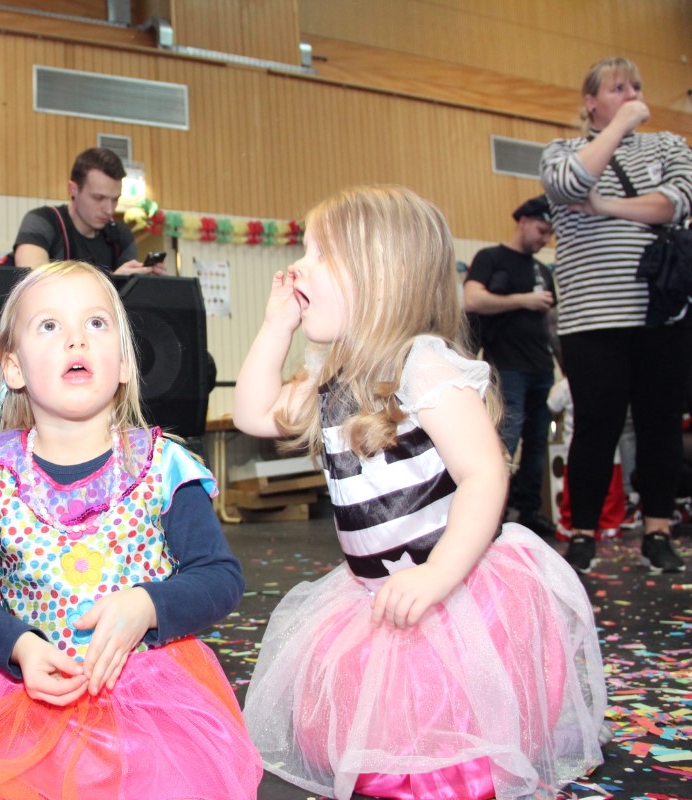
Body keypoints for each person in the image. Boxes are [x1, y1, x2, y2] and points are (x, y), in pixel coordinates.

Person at [234, 186, 606, 800]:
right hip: (375, 591)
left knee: (446, 747)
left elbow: (484, 474)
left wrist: (439, 576)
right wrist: (277, 326)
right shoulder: (329, 373)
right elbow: (252, 413)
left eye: (319, 253)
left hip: (453, 589)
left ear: (379, 276)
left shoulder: (422, 364)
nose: (297, 266)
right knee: (372, 737)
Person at [0, 260, 261, 799]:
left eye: (96, 323)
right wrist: (20, 647)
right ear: (14, 367)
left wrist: (148, 605)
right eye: (50, 325)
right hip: (26, 701)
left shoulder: (163, 467)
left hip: (151, 703)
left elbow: (219, 576)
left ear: (124, 363)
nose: (76, 338)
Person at [540, 56, 692, 574]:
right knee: (595, 426)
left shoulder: (669, 146)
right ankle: (583, 533)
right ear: (590, 102)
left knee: (660, 425)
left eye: (637, 87)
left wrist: (603, 207)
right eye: (618, 88)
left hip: (662, 313)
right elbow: (568, 186)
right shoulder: (562, 151)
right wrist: (621, 125)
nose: (632, 94)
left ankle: (658, 530)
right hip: (592, 318)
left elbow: (675, 203)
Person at [463, 194, 558, 538]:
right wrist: (523, 300)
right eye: (541, 230)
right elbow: (471, 299)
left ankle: (529, 510)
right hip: (506, 367)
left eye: (549, 234)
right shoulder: (491, 258)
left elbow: (552, 324)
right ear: (523, 221)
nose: (544, 240)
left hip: (541, 367)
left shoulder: (542, 270)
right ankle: (494, 514)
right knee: (505, 441)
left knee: (537, 443)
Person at [11, 147, 165, 276]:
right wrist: (113, 282)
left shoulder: (121, 236)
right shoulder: (42, 222)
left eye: (115, 199)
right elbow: (32, 286)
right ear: (73, 189)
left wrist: (147, 285)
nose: (109, 210)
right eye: (98, 198)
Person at [548, 374, 627, 540]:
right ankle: (609, 526)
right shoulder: (613, 381)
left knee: (576, 491)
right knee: (609, 492)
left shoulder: (568, 384)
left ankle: (571, 526)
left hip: (578, 450)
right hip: (608, 449)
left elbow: (552, 404)